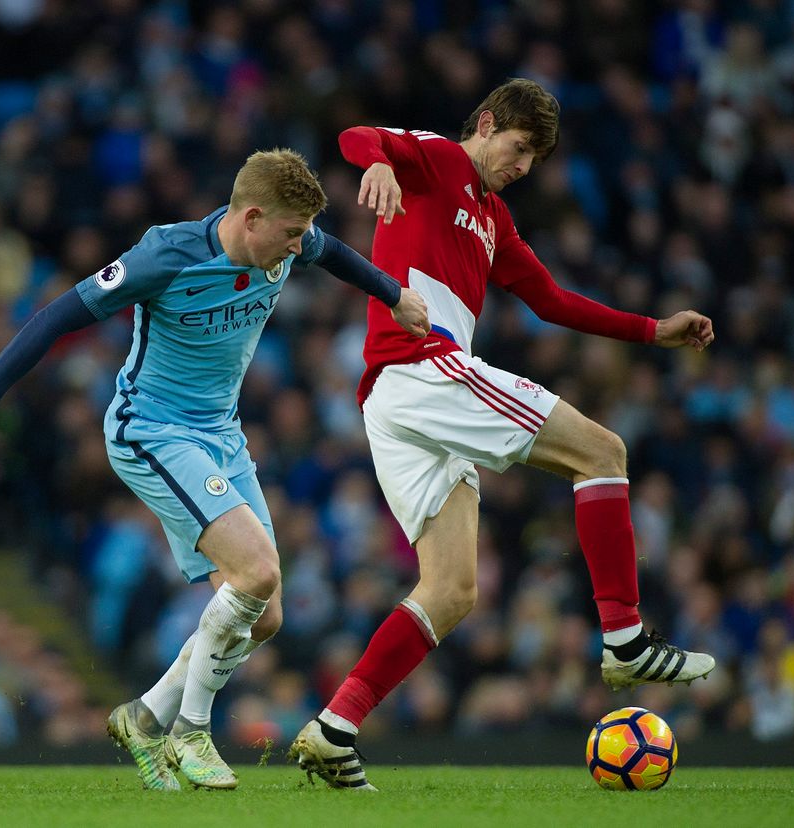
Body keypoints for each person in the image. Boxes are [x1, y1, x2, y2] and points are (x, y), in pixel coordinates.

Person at [0, 149, 429, 792]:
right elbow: (53, 318)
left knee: (264, 616)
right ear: (252, 216)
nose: (299, 247)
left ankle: (144, 715)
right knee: (256, 570)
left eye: (302, 235)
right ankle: (192, 734)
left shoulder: (289, 241)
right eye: (290, 233)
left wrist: (394, 294)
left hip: (220, 435)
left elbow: (336, 253)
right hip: (151, 428)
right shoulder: (165, 257)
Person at [289, 80, 717, 791]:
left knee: (453, 589)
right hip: (421, 368)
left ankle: (335, 727)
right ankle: (625, 638)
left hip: (398, 398)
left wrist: (651, 330)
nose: (520, 167)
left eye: (533, 161)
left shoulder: (494, 218)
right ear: (485, 125)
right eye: (518, 149)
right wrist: (378, 164)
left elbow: (550, 301)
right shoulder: (439, 160)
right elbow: (357, 135)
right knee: (603, 451)